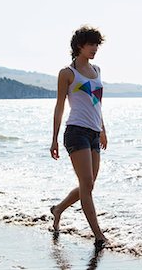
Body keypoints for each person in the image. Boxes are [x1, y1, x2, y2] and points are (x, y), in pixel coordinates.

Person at [49, 25, 108, 248]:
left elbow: (97, 104)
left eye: (96, 44)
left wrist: (103, 130)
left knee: (89, 185)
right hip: (76, 132)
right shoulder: (67, 73)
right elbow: (59, 107)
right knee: (86, 184)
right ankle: (99, 236)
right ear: (79, 46)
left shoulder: (98, 70)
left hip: (94, 132)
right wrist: (54, 138)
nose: (94, 48)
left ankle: (58, 209)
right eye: (90, 44)